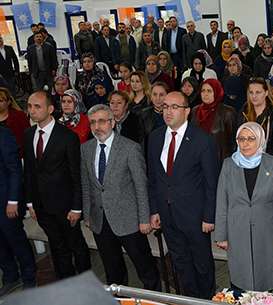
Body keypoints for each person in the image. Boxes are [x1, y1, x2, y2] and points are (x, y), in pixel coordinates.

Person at [80, 104, 160, 291]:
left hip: (129, 221)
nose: (97, 126)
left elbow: (141, 186)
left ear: (112, 122)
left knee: (145, 268)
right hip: (100, 221)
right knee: (112, 270)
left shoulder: (130, 148)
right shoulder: (86, 149)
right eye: (92, 122)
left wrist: (144, 219)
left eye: (101, 121)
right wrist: (88, 214)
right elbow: (86, 185)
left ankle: (155, 298)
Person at [148, 91, 218, 299]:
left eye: (174, 107)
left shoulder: (202, 140)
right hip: (167, 215)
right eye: (165, 107)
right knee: (180, 262)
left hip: (195, 217)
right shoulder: (155, 137)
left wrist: (209, 216)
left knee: (202, 263)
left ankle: (206, 300)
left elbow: (211, 182)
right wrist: (154, 210)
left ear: (187, 111)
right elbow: (152, 178)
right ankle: (188, 299)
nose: (168, 111)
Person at [214, 122, 273, 291]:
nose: (245, 143)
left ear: (261, 141)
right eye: (241, 139)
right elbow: (222, 201)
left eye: (251, 139)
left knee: (269, 278)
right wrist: (221, 235)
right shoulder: (228, 164)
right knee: (241, 280)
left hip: (270, 232)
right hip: (238, 231)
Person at [23, 91, 91, 280]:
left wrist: (77, 207)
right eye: (29, 106)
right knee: (57, 245)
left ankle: (86, 282)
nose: (32, 110)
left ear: (51, 109)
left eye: (37, 106)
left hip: (66, 205)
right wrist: (30, 203)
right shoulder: (28, 135)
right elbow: (29, 172)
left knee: (76, 244)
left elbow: (76, 175)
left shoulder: (68, 137)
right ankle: (66, 282)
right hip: (42, 206)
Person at [0, 126, 37, 295]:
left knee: (16, 239)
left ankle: (30, 277)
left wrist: (13, 200)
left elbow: (15, 169)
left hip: (6, 201)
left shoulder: (3, 133)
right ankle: (10, 276)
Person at [238, 78, 273, 160]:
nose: (254, 96)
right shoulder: (243, 112)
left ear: (266, 93)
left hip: (267, 163)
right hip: (245, 160)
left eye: (258, 92)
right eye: (251, 92)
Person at [191, 79, 236, 161]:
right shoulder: (195, 110)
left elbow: (233, 142)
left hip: (218, 160)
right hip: (197, 158)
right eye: (203, 91)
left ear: (217, 92)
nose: (205, 94)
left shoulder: (227, 112)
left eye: (209, 91)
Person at [0, 89, 29, 155]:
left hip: (17, 156)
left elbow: (28, 137)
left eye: (0, 101)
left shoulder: (20, 116)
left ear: (8, 102)